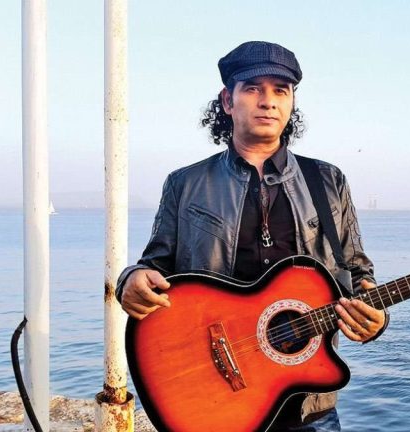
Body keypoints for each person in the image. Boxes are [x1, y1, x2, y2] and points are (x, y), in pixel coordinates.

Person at [117, 41, 387, 431]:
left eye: (281, 90)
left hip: (310, 408)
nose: (268, 101)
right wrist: (131, 280)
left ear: (292, 102)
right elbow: (153, 268)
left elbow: (358, 273)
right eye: (253, 88)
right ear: (228, 100)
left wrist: (376, 320)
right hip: (215, 400)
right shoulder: (185, 184)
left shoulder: (329, 181)